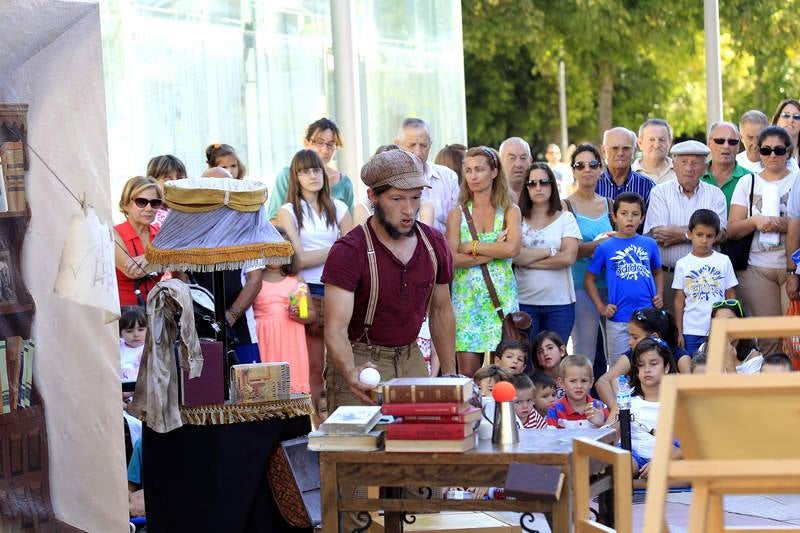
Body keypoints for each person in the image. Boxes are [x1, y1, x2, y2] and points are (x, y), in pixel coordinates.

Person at [322, 148, 456, 409]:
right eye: (397, 199)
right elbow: (335, 328)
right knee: (360, 448)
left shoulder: (434, 243)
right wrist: (350, 373)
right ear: (372, 196)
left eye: (415, 197)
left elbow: (441, 311)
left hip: (412, 356)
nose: (409, 209)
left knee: (419, 444)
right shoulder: (350, 251)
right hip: (360, 359)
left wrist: (450, 375)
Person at [278, 149, 353, 407]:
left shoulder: (340, 207)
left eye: (316, 169)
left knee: (340, 359)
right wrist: (336, 248)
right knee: (313, 364)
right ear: (295, 176)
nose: (312, 175)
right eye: (305, 171)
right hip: (307, 290)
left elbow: (353, 254)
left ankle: (340, 415)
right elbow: (297, 260)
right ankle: (316, 421)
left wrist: (330, 252)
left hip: (339, 289)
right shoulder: (288, 210)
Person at [447, 146, 521, 377]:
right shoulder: (457, 214)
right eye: (468, 170)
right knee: (468, 376)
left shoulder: (510, 210)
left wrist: (471, 246)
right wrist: (496, 251)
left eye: (479, 169)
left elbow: (513, 248)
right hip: (467, 303)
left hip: (501, 301)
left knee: (503, 378)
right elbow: (451, 260)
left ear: (494, 172)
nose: (473, 176)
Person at [728, 126, 797, 353]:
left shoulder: (797, 181)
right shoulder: (747, 183)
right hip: (757, 268)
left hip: (794, 268)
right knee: (769, 339)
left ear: (788, 151)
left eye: (778, 150)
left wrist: (785, 225)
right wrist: (755, 222)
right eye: (766, 150)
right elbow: (733, 230)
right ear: (759, 152)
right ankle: (769, 387)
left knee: (793, 339)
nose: (773, 155)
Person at [644, 140, 728, 312]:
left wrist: (679, 234)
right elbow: (660, 235)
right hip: (667, 276)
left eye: (695, 163)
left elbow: (720, 235)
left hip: (706, 278)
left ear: (705, 168)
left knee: (705, 332)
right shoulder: (659, 192)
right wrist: (702, 233)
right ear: (674, 165)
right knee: (667, 332)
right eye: (684, 162)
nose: (689, 168)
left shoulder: (715, 195)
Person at [585, 192, 664, 364]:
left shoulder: (649, 244)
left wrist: (660, 295)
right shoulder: (605, 247)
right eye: (624, 213)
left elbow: (658, 272)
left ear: (642, 218)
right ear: (614, 216)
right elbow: (589, 279)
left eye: (635, 214)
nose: (630, 219)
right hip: (618, 318)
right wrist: (601, 307)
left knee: (647, 362)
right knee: (618, 367)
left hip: (647, 317)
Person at [514, 163, 580, 351]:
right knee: (525, 362)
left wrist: (528, 259)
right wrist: (549, 251)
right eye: (532, 183)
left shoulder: (566, 218)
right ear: (526, 188)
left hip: (560, 304)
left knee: (554, 363)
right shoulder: (516, 218)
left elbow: (568, 257)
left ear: (552, 185)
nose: (538, 187)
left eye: (544, 182)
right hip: (524, 302)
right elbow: (514, 256)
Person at [564, 144, 615, 364]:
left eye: (593, 164)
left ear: (601, 168)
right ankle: (582, 398)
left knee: (617, 353)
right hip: (580, 285)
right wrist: (602, 245)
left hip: (612, 285)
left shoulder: (611, 205)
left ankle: (616, 398)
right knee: (584, 353)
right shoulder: (564, 206)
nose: (587, 169)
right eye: (580, 165)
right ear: (573, 171)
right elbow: (569, 251)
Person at [252, 227, 316, 394]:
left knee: (291, 384)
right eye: (271, 250)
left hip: (291, 338)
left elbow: (310, 314)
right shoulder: (253, 280)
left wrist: (299, 314)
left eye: (280, 250)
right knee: (266, 386)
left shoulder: (296, 280)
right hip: (264, 337)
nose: (276, 254)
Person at [595, 307, 692, 413]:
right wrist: (621, 410)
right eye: (641, 364)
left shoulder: (680, 358)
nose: (630, 342)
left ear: (654, 336)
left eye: (635, 337)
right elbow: (602, 382)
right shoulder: (632, 355)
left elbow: (692, 394)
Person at [673, 209, 738, 354]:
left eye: (709, 236)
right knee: (693, 370)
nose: (704, 240)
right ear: (690, 234)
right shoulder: (682, 264)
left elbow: (731, 296)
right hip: (691, 330)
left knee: (718, 369)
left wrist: (732, 325)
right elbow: (679, 300)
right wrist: (679, 331)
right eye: (699, 235)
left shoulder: (723, 261)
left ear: (716, 237)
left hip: (718, 328)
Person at [267, 119, 355, 221]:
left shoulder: (344, 183)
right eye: (319, 142)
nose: (325, 150)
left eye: (331, 144)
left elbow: (352, 227)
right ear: (306, 142)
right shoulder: (286, 176)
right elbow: (273, 221)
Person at [625, 338, 681, 479]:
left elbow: (689, 446)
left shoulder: (678, 400)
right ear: (636, 371)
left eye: (653, 363)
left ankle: (635, 485)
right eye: (641, 365)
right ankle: (637, 482)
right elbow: (610, 435)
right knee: (623, 463)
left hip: (669, 458)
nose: (647, 370)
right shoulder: (627, 399)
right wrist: (601, 421)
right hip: (634, 458)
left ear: (666, 367)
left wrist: (661, 462)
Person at [396, 118, 460, 234]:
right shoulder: (385, 181)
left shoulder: (449, 178)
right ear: (397, 145)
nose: (418, 152)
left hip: (444, 250)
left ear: (430, 145)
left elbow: (460, 226)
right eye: (412, 145)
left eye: (423, 145)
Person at [114, 176, 163, 307]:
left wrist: (150, 259)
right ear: (126, 204)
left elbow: (181, 265)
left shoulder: (161, 234)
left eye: (155, 203)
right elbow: (133, 272)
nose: (149, 208)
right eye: (141, 202)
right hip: (127, 318)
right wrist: (157, 257)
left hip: (159, 313)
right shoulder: (113, 233)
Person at [595, 127, 655, 211]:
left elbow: (652, 223)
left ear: (634, 151)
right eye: (615, 148)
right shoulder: (593, 185)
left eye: (626, 148)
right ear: (604, 151)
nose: (620, 153)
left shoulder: (647, 186)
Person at [546, 355, 608, 429]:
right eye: (573, 381)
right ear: (561, 383)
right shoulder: (554, 409)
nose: (579, 386)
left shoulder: (599, 407)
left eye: (584, 381)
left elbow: (612, 439)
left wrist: (601, 425)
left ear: (591, 382)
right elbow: (550, 439)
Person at [700, 121, 750, 213]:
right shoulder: (695, 177)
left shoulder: (750, 179)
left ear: (738, 146)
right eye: (720, 141)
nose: (726, 146)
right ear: (709, 143)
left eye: (732, 142)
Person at [146, 154, 187, 228]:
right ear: (152, 182)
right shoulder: (147, 216)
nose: (175, 184)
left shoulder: (192, 211)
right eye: (167, 180)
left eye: (180, 178)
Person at [632, 118, 677, 185]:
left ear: (670, 142)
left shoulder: (681, 173)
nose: (657, 145)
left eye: (662, 140)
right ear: (640, 143)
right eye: (651, 139)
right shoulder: (627, 174)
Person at [531, 331, 567, 397]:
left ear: (562, 350)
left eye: (550, 348)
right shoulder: (533, 384)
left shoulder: (574, 377)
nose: (545, 353)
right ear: (537, 359)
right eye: (540, 351)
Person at [119, 306, 146, 383]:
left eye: (140, 330)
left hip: (140, 390)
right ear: (121, 332)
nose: (136, 334)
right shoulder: (117, 347)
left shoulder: (149, 349)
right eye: (129, 331)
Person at [771, 99, 800, 166]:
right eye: (786, 115)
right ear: (777, 120)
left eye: (797, 117)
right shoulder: (766, 152)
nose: (790, 120)